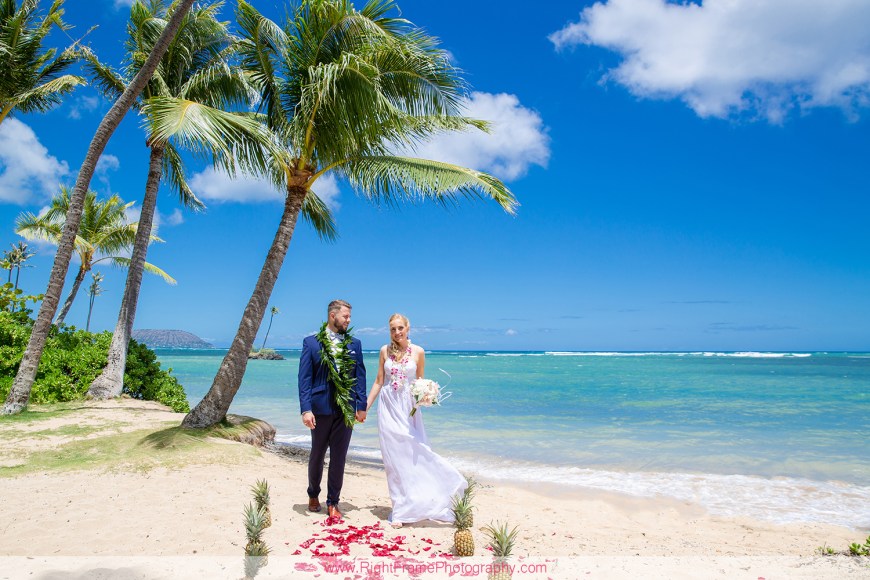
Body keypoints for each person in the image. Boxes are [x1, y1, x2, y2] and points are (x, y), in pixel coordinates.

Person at [367, 313, 467, 527]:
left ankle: (448, 484)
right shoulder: (384, 351)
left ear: (408, 328)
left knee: (414, 451)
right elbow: (378, 381)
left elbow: (420, 381)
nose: (397, 333)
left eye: (400, 328)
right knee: (393, 458)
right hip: (387, 406)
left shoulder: (419, 352)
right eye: (393, 329)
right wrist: (364, 407)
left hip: (408, 408)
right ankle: (401, 508)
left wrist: (427, 394)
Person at [298, 299, 367, 519]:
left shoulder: (355, 344)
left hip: (345, 410)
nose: (348, 320)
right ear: (332, 316)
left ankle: (333, 502)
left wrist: (361, 405)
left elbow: (360, 376)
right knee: (317, 455)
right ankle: (313, 493)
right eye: (345, 316)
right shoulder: (311, 343)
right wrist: (306, 409)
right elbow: (304, 380)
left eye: (349, 317)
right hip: (319, 409)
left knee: (339, 457)